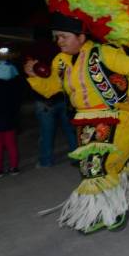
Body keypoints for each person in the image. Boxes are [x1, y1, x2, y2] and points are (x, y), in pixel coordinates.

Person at [25, 0, 129, 233]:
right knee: (92, 168)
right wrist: (34, 77)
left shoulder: (103, 53)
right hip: (87, 121)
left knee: (99, 166)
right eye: (56, 37)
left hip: (120, 116)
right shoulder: (60, 62)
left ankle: (116, 209)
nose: (58, 41)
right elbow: (50, 90)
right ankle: (103, 210)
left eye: (63, 37)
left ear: (81, 37)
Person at [26, 29, 78, 167]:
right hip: (63, 96)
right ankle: (78, 158)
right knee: (70, 130)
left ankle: (46, 161)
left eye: (62, 37)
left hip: (44, 99)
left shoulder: (31, 51)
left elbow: (29, 72)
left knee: (46, 132)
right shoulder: (60, 50)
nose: (60, 40)